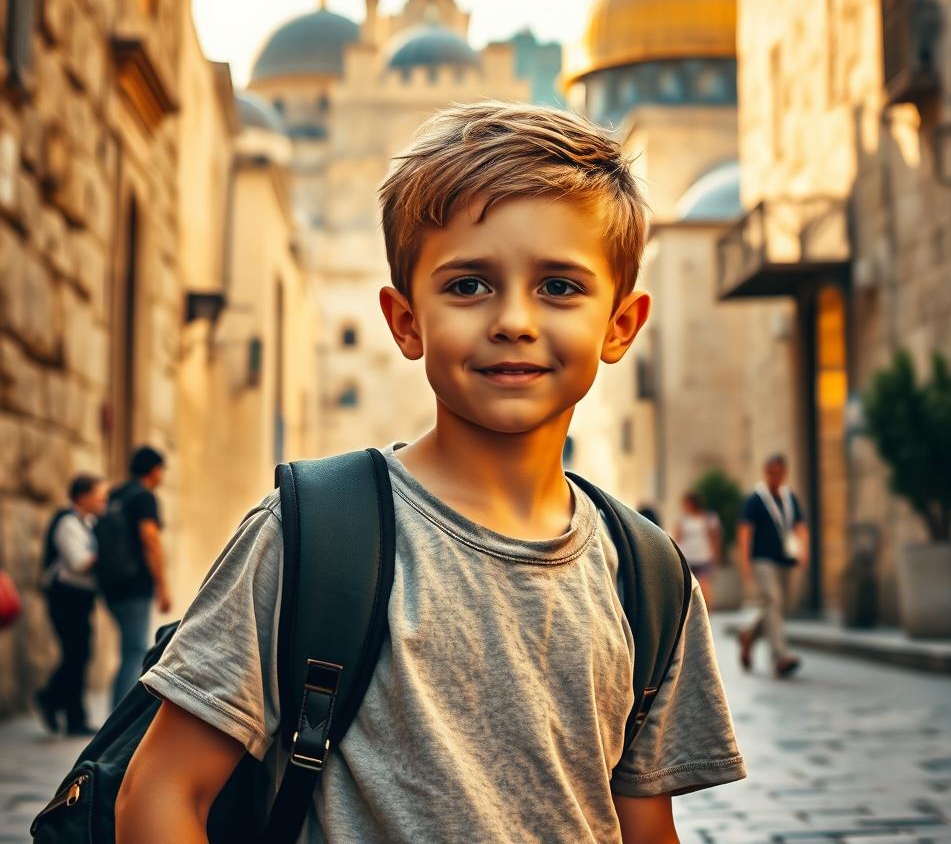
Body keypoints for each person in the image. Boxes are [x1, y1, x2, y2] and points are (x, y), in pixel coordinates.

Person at [117, 102, 746, 843]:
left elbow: (645, 828)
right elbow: (161, 794)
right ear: (406, 320)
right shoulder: (312, 533)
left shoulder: (646, 575)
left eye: (560, 287)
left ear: (620, 325)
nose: (514, 319)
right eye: (469, 285)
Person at [35, 474, 108, 736]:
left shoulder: (88, 523)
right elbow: (78, 563)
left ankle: (63, 708)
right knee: (76, 654)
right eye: (99, 496)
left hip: (80, 597)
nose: (103, 501)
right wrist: (109, 553)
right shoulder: (67, 522)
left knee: (80, 654)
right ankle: (57, 704)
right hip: (65, 596)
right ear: (83, 497)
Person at [105, 445, 171, 706]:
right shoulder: (144, 497)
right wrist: (162, 586)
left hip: (112, 585)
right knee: (134, 652)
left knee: (127, 651)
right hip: (135, 586)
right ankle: (118, 715)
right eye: (162, 469)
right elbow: (150, 539)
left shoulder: (116, 494)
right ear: (154, 470)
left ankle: (115, 710)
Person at [736, 453, 809, 678]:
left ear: (785, 473)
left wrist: (803, 552)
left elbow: (800, 527)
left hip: (785, 560)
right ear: (765, 473)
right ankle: (780, 656)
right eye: (771, 472)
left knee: (776, 606)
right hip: (762, 560)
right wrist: (745, 562)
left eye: (779, 472)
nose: (775, 477)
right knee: (773, 601)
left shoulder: (790, 499)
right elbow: (745, 531)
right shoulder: (756, 499)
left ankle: (749, 636)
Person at [672, 490, 721, 612]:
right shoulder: (682, 519)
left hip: (704, 557)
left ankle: (707, 614)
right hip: (687, 558)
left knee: (705, 588)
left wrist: (715, 557)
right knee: (687, 590)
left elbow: (715, 539)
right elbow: (677, 537)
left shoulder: (709, 518)